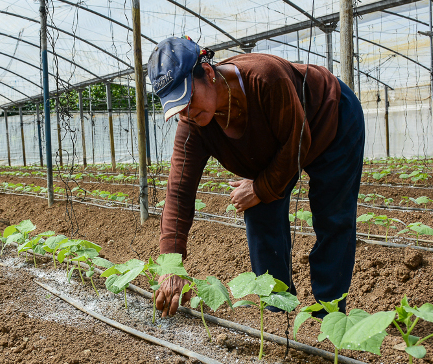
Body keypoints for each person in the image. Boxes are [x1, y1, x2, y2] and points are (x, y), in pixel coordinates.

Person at [148, 36, 364, 318]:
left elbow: (297, 146)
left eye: (188, 99)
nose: (186, 112)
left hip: (330, 117)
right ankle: (278, 310)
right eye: (177, 108)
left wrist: (260, 187)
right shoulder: (193, 125)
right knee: (260, 211)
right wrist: (171, 267)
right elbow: (178, 193)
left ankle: (329, 314)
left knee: (333, 216)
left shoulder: (265, 78)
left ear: (209, 74)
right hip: (278, 143)